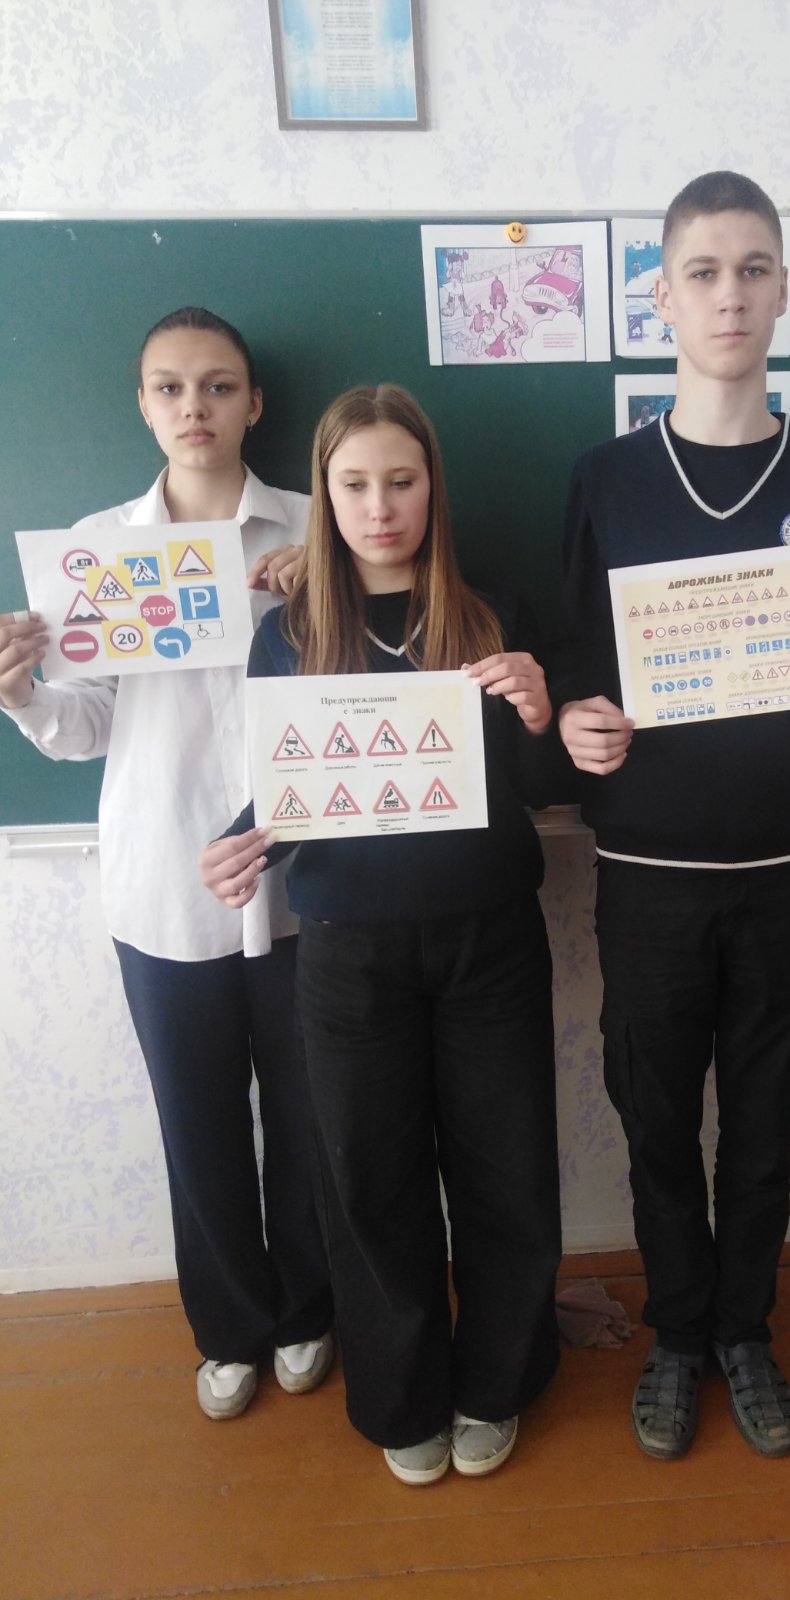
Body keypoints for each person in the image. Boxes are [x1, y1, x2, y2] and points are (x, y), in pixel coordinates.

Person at [553, 171, 790, 1461]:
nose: (730, 295)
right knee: (657, 1120)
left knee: (764, 1123)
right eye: (704, 272)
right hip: (643, 864)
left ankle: (744, 1331)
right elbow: (574, 663)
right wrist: (575, 720)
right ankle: (675, 1333)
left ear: (783, 289)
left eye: (755, 269)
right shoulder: (604, 477)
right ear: (660, 297)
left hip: (778, 862)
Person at [199, 383, 562, 1485]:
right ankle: (401, 1396)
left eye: (401, 481)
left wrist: (538, 712)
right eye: (354, 484)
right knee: (368, 1182)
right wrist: (242, 842)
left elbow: (538, 787)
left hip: (489, 940)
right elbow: (291, 793)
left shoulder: (492, 615)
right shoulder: (290, 634)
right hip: (348, 948)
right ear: (325, 495)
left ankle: (497, 1382)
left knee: (506, 1171)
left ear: (432, 487)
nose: (379, 506)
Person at [0, 307, 333, 1419]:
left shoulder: (318, 525)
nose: (196, 406)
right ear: (144, 405)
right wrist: (23, 695)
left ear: (255, 403)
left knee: (312, 1117)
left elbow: (373, 682)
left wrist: (323, 596)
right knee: (198, 1123)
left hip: (304, 877)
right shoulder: (98, 549)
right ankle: (230, 1327)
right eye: (171, 387)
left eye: (219, 385)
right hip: (160, 882)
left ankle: (309, 1308)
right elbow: (88, 722)